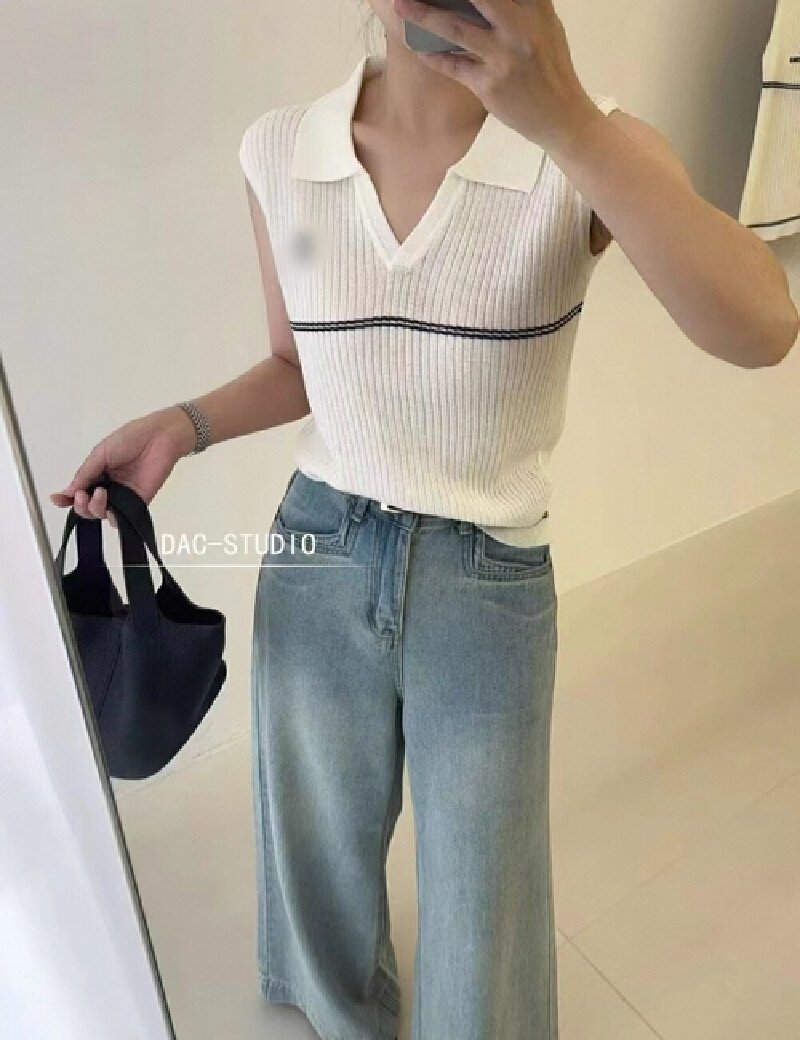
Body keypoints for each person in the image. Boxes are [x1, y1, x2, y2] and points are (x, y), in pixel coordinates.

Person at [51, 1, 799, 1038]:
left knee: (482, 890)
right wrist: (183, 425)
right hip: (316, 548)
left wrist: (568, 122)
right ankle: (340, 1014)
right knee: (314, 850)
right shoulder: (281, 151)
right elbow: (299, 363)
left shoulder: (588, 146)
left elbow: (764, 325)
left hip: (485, 575)